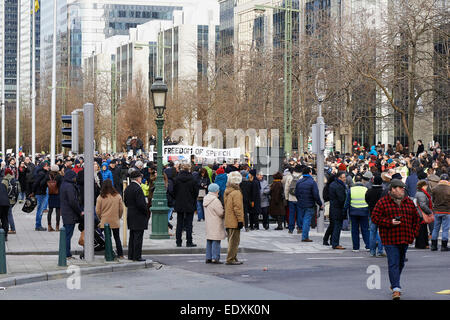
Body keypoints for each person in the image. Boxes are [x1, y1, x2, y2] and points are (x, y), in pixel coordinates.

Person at [371, 179, 420, 300]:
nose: (403, 190)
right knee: (393, 262)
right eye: (400, 188)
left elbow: (416, 219)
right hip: (390, 238)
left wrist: (414, 233)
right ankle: (396, 288)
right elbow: (375, 218)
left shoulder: (408, 202)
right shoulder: (383, 202)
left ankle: (394, 283)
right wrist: (390, 222)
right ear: (393, 189)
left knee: (401, 262)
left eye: (403, 188)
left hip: (405, 237)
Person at [124, 170, 149, 261]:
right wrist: (146, 212)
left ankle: (131, 255)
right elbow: (141, 204)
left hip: (131, 214)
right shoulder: (138, 188)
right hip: (138, 215)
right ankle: (137, 256)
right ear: (138, 178)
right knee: (138, 237)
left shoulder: (128, 188)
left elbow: (125, 202)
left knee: (132, 236)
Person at [96, 179, 124, 259]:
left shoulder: (100, 197)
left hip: (105, 220)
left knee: (108, 238)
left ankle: (109, 253)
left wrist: (101, 217)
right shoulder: (118, 196)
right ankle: (120, 254)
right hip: (115, 220)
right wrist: (118, 216)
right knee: (117, 237)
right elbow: (121, 209)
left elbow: (97, 210)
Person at [173, 164, 199, 247]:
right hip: (190, 203)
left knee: (179, 223)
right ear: (189, 169)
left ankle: (178, 241)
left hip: (179, 203)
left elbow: (174, 192)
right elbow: (196, 193)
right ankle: (189, 241)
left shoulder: (177, 179)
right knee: (189, 224)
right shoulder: (193, 180)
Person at [295, 166, 323, 241]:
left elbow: (296, 193)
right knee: (307, 220)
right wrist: (320, 204)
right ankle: (305, 237)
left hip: (301, 204)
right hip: (309, 204)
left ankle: (302, 233)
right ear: (310, 173)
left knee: (303, 219)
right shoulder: (312, 182)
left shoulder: (299, 182)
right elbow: (316, 195)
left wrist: (299, 200)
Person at [60, 170, 83, 259]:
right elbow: (73, 201)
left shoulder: (64, 184)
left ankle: (65, 253)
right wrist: (79, 211)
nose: (75, 178)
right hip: (70, 213)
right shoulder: (69, 186)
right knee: (68, 235)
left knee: (66, 234)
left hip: (66, 212)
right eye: (74, 177)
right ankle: (66, 254)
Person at [224, 171, 244, 265]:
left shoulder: (227, 190)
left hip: (228, 219)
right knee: (234, 241)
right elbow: (238, 208)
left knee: (231, 240)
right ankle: (231, 258)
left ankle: (233, 257)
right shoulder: (236, 193)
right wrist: (240, 220)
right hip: (234, 220)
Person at [345, 175, 370, 251]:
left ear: (355, 181)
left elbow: (347, 202)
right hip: (364, 212)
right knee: (365, 229)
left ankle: (356, 247)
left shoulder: (351, 190)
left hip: (353, 212)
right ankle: (368, 245)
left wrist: (344, 210)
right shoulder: (366, 189)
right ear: (362, 181)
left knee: (354, 230)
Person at [203, 183, 226, 264]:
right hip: (216, 223)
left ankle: (208, 257)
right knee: (216, 240)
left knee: (209, 240)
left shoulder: (206, 198)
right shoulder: (215, 200)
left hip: (209, 222)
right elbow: (220, 213)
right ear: (216, 191)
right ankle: (215, 258)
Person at [365, 175, 385, 257]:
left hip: (372, 213)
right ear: (381, 182)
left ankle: (372, 251)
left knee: (372, 232)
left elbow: (366, 200)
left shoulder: (369, 191)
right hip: (381, 214)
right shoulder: (383, 192)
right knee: (381, 232)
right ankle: (380, 251)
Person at [328, 171, 348, 249]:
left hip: (333, 208)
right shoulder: (339, 186)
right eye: (343, 177)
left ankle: (334, 242)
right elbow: (341, 198)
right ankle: (335, 243)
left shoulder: (333, 184)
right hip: (338, 209)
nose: (345, 179)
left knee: (335, 226)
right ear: (339, 178)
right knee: (337, 227)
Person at [430, 174, 449, 251]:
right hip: (447, 211)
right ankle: (444, 246)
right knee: (445, 229)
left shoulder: (435, 188)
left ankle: (434, 246)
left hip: (437, 210)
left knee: (435, 228)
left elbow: (433, 200)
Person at [32, 161, 50, 231]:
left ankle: (38, 225)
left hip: (40, 192)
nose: (48, 167)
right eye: (47, 166)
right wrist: (33, 192)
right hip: (40, 193)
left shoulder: (43, 173)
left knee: (40, 209)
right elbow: (39, 183)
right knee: (40, 210)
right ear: (44, 166)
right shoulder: (42, 173)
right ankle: (38, 225)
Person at [414, 180, 432, 249]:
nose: (427, 187)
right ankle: (422, 244)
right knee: (422, 230)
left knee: (422, 229)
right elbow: (423, 205)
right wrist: (429, 211)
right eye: (426, 186)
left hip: (419, 213)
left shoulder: (419, 193)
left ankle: (422, 244)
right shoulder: (421, 194)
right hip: (421, 213)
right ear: (423, 186)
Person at [285, 165, 302, 234]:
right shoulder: (302, 177)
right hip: (299, 199)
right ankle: (299, 228)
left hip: (291, 198)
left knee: (291, 214)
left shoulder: (289, 177)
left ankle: (291, 228)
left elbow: (286, 188)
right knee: (300, 213)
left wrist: (286, 197)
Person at [2, 168, 19, 235]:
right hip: (13, 199)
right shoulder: (14, 180)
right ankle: (8, 227)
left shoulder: (4, 180)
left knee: (8, 214)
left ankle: (12, 229)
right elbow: (18, 190)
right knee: (8, 213)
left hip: (6, 200)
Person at [47, 165, 62, 232]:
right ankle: (57, 226)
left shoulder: (49, 176)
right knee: (58, 211)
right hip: (58, 194)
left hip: (51, 194)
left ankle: (49, 226)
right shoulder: (59, 176)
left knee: (50, 210)